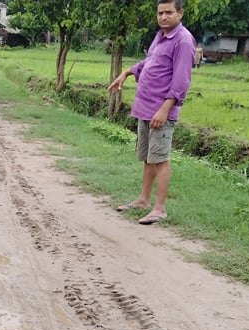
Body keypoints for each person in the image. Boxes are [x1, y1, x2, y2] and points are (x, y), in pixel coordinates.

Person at [107, 0, 196, 225]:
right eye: (160, 13)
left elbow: (181, 80)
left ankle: (159, 209)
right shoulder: (160, 36)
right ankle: (143, 200)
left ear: (180, 13)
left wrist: (165, 110)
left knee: (160, 159)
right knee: (149, 158)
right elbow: (150, 62)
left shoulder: (183, 40)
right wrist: (126, 72)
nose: (163, 17)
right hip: (145, 108)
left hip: (160, 111)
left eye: (169, 12)